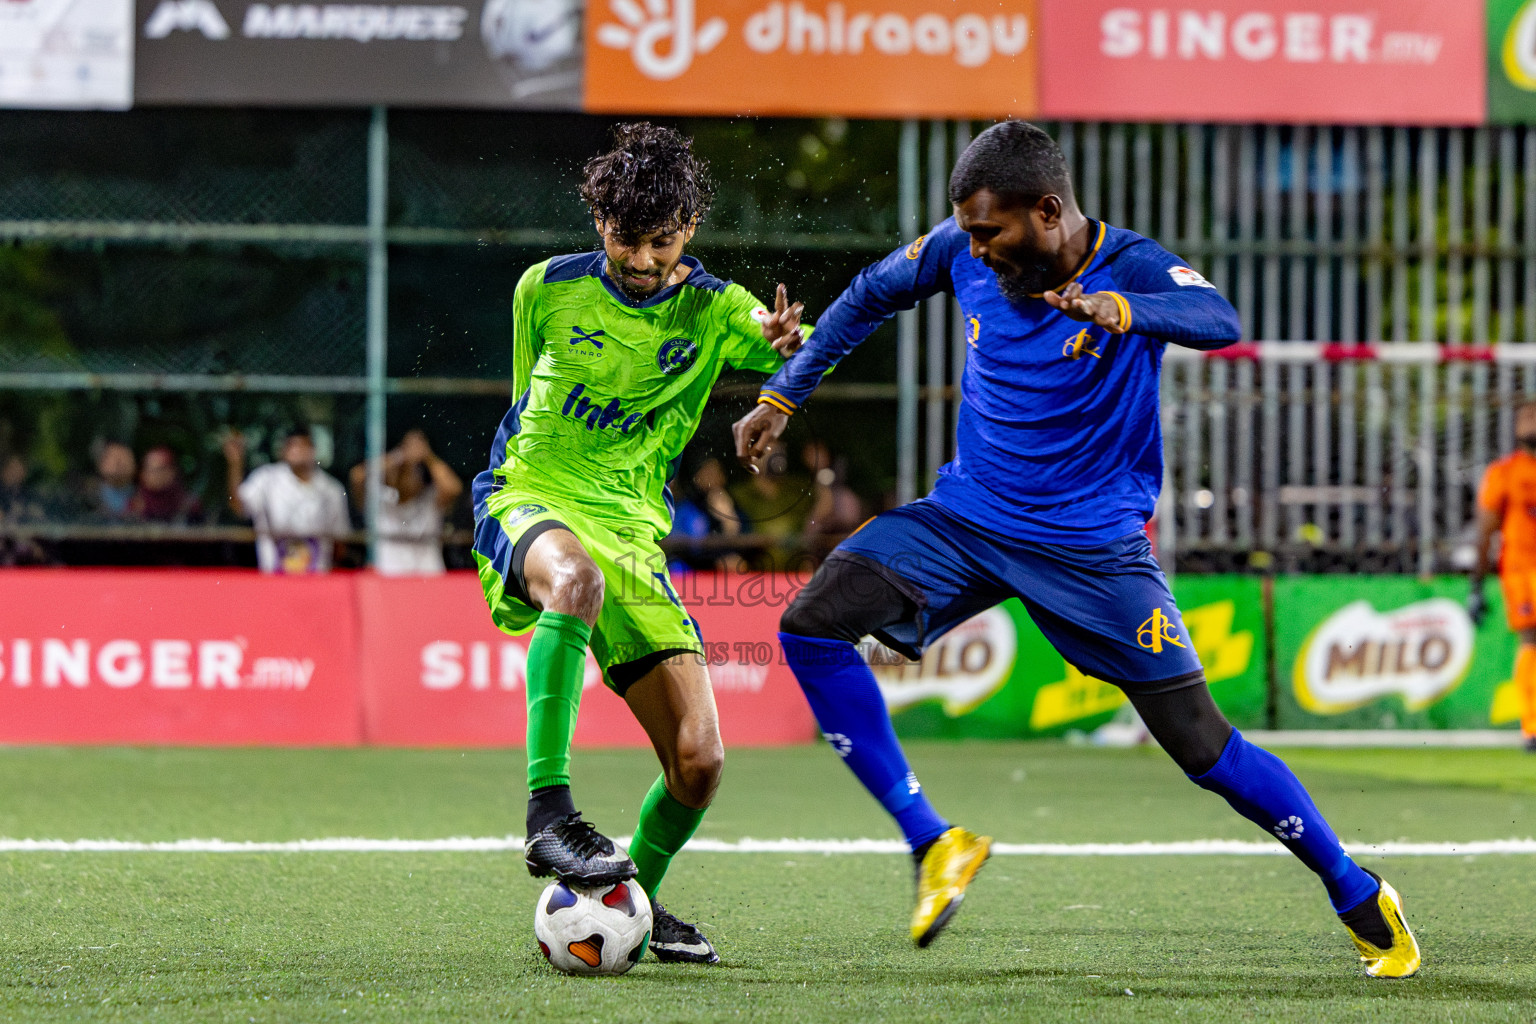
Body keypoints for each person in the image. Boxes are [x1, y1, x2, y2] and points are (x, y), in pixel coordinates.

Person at [732, 121, 1420, 978]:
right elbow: (872, 292)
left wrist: (1124, 312)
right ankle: (935, 843)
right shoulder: (960, 248)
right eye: (968, 232)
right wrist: (783, 396)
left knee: (1204, 747)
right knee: (811, 624)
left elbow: (1218, 318)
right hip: (970, 521)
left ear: (1049, 211)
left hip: (1091, 551)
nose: (974, 251)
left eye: (991, 232)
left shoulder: (1129, 266)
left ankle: (1357, 892)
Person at [469, 122, 804, 964]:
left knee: (699, 762)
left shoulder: (717, 310)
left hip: (633, 534)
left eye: (660, 241)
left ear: (688, 229)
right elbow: (521, 404)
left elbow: (774, 338)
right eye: (626, 239)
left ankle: (637, 905)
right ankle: (550, 815)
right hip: (531, 494)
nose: (643, 259)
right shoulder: (544, 289)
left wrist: (787, 352)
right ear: (598, 224)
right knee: (572, 581)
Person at [1470, 399, 1536, 753]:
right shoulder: (1505, 472)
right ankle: (1533, 726)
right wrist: (1476, 585)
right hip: (1523, 571)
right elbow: (1486, 530)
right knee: (1532, 642)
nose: (1530, 422)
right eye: (1524, 416)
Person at [224, 428, 350, 574]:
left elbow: (340, 541)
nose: (295, 450)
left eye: (301, 445)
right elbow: (238, 506)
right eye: (291, 445)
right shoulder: (266, 479)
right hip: (274, 580)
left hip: (316, 581)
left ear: (312, 449)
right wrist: (235, 464)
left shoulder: (331, 489)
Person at [349, 429, 464, 576]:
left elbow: (454, 487)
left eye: (414, 471)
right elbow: (357, 476)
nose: (408, 476)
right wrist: (399, 456)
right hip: (389, 581)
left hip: (428, 580)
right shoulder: (381, 501)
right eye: (402, 471)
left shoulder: (429, 500)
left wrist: (427, 456)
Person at [128, 446, 204, 524]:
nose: (155, 475)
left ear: (172, 472)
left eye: (160, 469)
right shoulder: (135, 504)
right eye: (150, 469)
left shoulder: (189, 504)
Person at [84, 440, 136, 522]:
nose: (120, 464)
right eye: (114, 458)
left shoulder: (143, 496)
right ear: (100, 464)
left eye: (125, 457)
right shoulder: (87, 497)